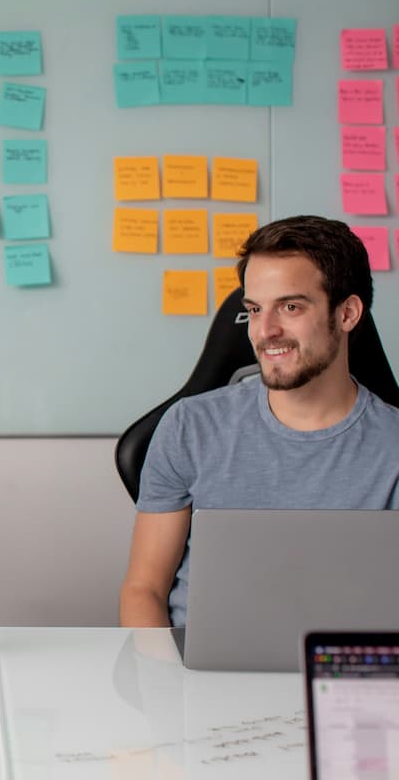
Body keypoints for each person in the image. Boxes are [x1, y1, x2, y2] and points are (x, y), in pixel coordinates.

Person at [119, 215, 399, 627]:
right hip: (200, 676)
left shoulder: (392, 445)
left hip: (346, 674)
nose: (265, 331)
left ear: (347, 313)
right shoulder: (189, 427)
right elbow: (145, 590)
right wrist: (164, 683)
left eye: (290, 306)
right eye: (254, 309)